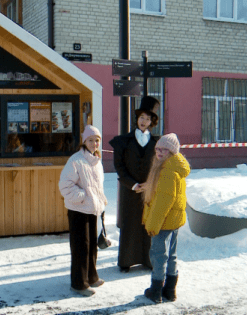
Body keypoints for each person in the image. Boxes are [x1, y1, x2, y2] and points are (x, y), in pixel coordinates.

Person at [109, 96, 160, 272]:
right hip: (129, 191)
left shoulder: (157, 143)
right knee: (129, 225)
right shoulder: (123, 141)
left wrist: (149, 184)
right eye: (141, 117)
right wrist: (132, 184)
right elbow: (119, 166)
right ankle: (126, 261)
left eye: (148, 118)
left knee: (148, 225)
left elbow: (159, 167)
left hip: (149, 191)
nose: (144, 121)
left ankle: (147, 260)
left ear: (152, 121)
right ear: (136, 119)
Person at [59, 125, 108, 297]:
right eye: (90, 140)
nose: (94, 143)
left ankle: (91, 276)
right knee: (81, 247)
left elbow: (97, 185)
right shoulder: (76, 160)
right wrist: (83, 197)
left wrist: (101, 200)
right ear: (84, 141)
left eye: (97, 140)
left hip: (92, 208)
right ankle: (79, 283)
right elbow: (64, 186)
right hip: (78, 209)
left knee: (91, 246)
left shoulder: (96, 160)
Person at [141, 133, 190, 303]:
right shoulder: (174, 167)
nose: (160, 152)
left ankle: (156, 291)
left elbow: (163, 202)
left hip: (163, 221)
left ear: (172, 152)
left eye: (164, 149)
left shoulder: (168, 171)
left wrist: (153, 224)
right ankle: (169, 290)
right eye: (158, 149)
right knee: (171, 255)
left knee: (159, 255)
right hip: (173, 220)